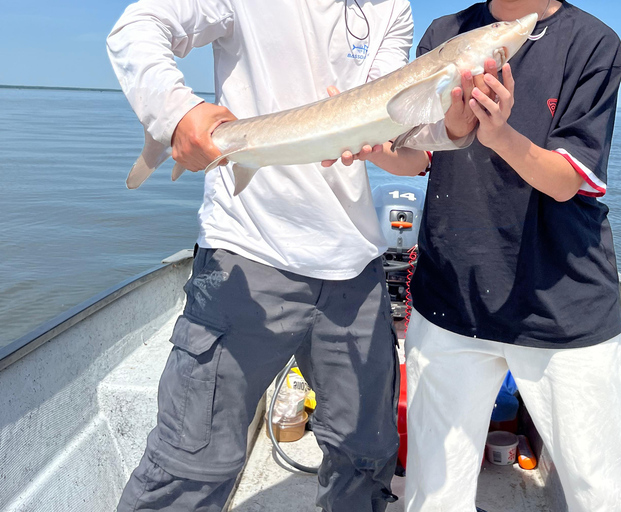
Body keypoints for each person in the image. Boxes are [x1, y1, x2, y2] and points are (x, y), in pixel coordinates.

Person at [104, 0, 451, 510]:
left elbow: (394, 124)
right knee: (190, 466)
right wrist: (179, 113)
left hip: (353, 267)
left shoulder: (391, 8)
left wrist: (399, 138)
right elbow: (137, 27)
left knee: (367, 453)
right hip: (248, 252)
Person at [403, 1, 621, 511]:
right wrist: (368, 145)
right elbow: (417, 151)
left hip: (561, 304)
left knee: (599, 492)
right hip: (451, 298)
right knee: (431, 495)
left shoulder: (593, 42)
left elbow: (569, 179)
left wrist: (499, 134)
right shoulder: (444, 33)